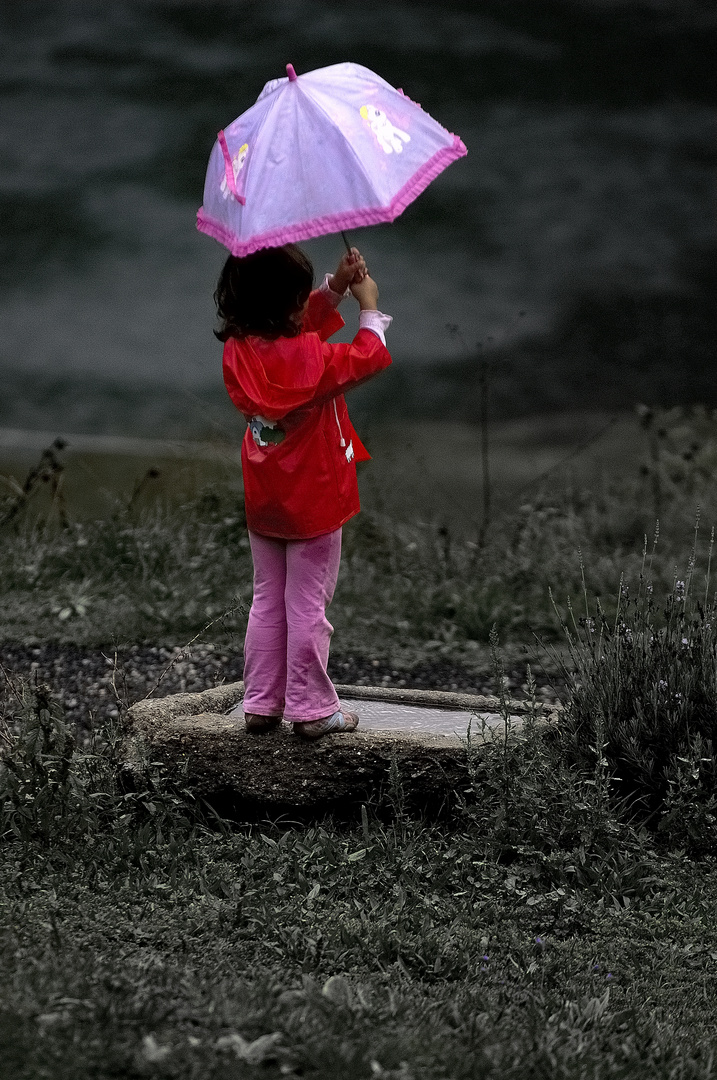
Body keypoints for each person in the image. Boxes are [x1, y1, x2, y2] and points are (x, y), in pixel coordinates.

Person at [215, 243, 392, 738]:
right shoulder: (314, 361)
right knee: (308, 604)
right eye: (302, 296)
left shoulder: (240, 349)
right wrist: (369, 305)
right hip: (313, 500)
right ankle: (314, 709)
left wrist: (334, 288)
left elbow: (291, 336)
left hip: (266, 497)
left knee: (268, 598)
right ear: (290, 305)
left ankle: (262, 703)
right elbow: (367, 356)